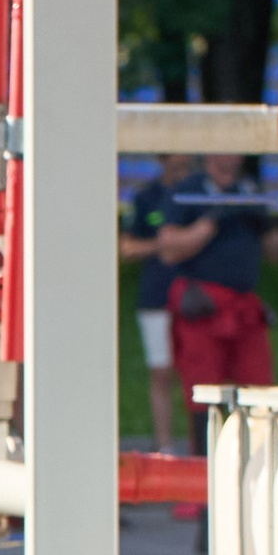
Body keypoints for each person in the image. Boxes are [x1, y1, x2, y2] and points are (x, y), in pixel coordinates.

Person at [155, 149, 278, 443]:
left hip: (244, 306)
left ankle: (257, 451)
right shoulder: (188, 191)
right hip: (203, 305)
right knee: (203, 387)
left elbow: (275, 250)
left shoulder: (249, 190)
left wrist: (264, 222)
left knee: (258, 385)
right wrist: (211, 221)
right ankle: (203, 457)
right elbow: (168, 249)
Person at [120, 161, 178, 451]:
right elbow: (126, 247)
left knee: (199, 373)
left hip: (197, 300)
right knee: (161, 371)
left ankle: (199, 446)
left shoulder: (198, 191)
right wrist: (167, 245)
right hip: (156, 297)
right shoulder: (146, 198)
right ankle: (165, 445)